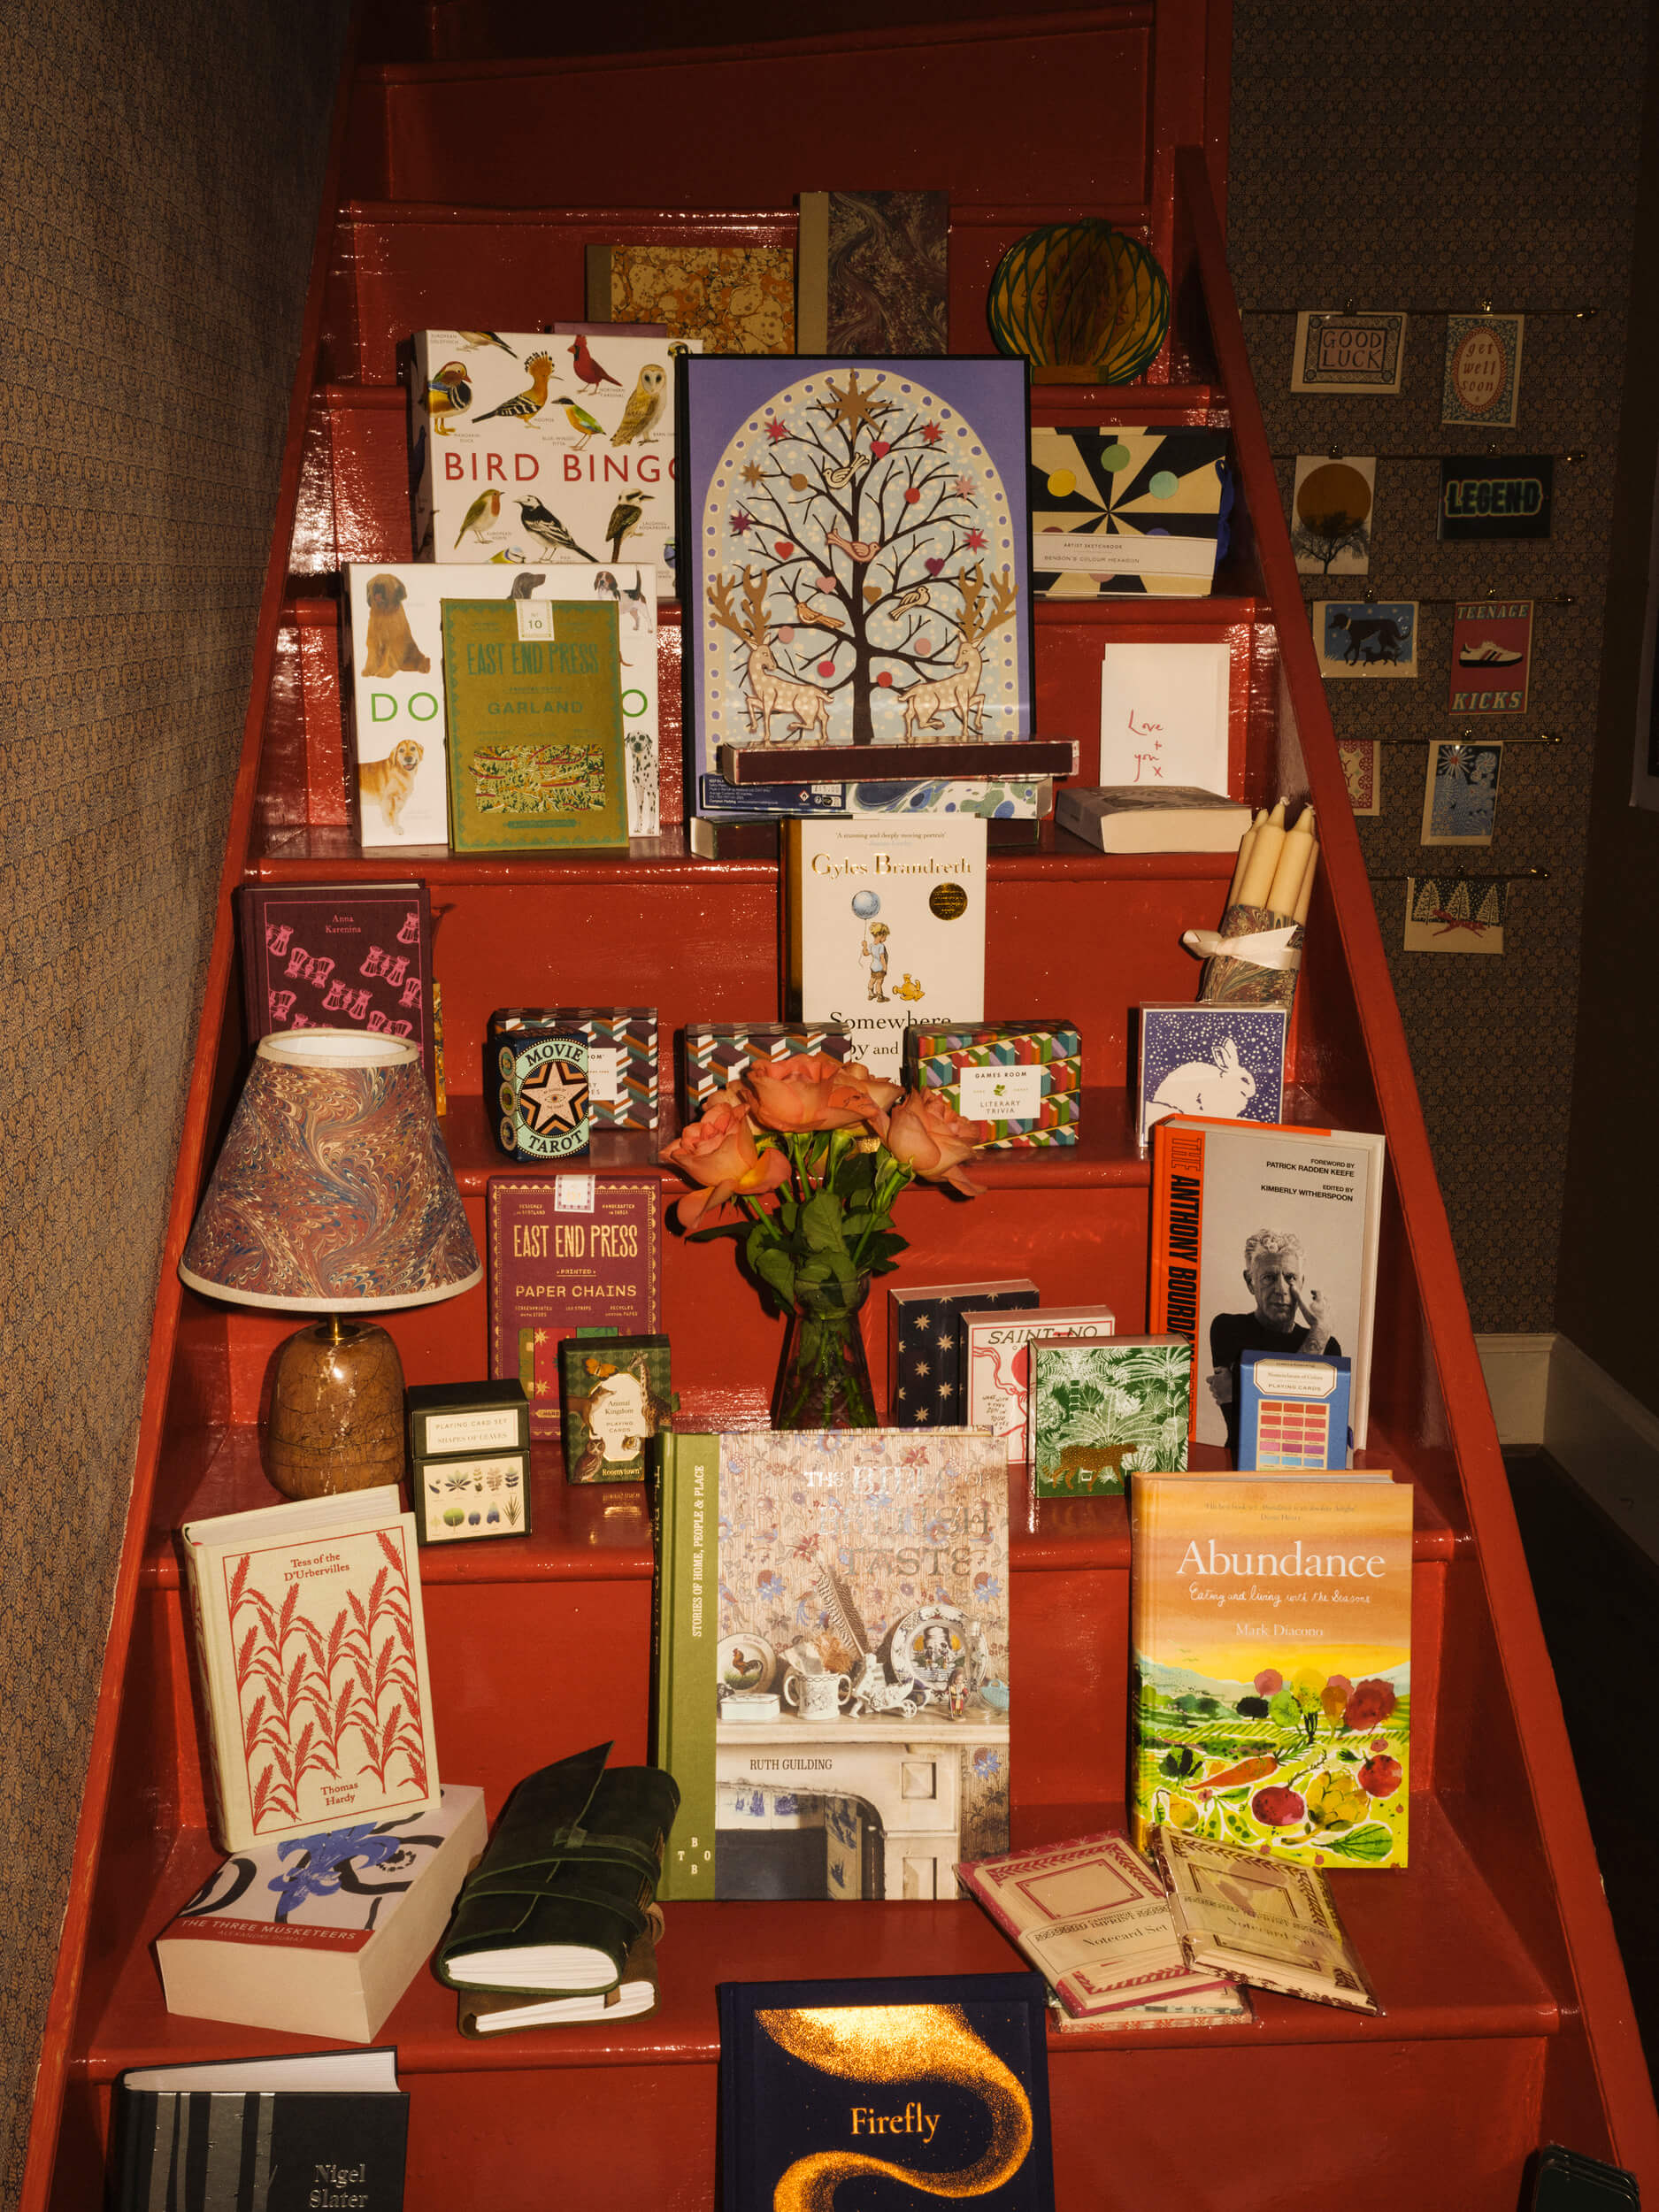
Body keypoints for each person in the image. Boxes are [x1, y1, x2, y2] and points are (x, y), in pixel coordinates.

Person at [1208, 1229, 1340, 1461]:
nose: (1281, 1289)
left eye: (1290, 1278)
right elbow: (1265, 1431)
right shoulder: (1227, 1328)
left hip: (1304, 1471)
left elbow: (1300, 1433)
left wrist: (1240, 1391)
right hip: (1238, 1466)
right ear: (1250, 1282)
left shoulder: (1328, 1346)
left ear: (1302, 1282)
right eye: (1269, 1278)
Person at [862, 920, 891, 1002]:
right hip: (880, 967)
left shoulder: (871, 945)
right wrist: (885, 968)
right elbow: (882, 958)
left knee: (872, 979)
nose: (885, 939)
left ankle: (871, 994)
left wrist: (864, 946)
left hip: (873, 967)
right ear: (881, 935)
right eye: (885, 936)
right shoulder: (881, 946)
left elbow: (866, 953)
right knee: (879, 982)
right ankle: (880, 996)